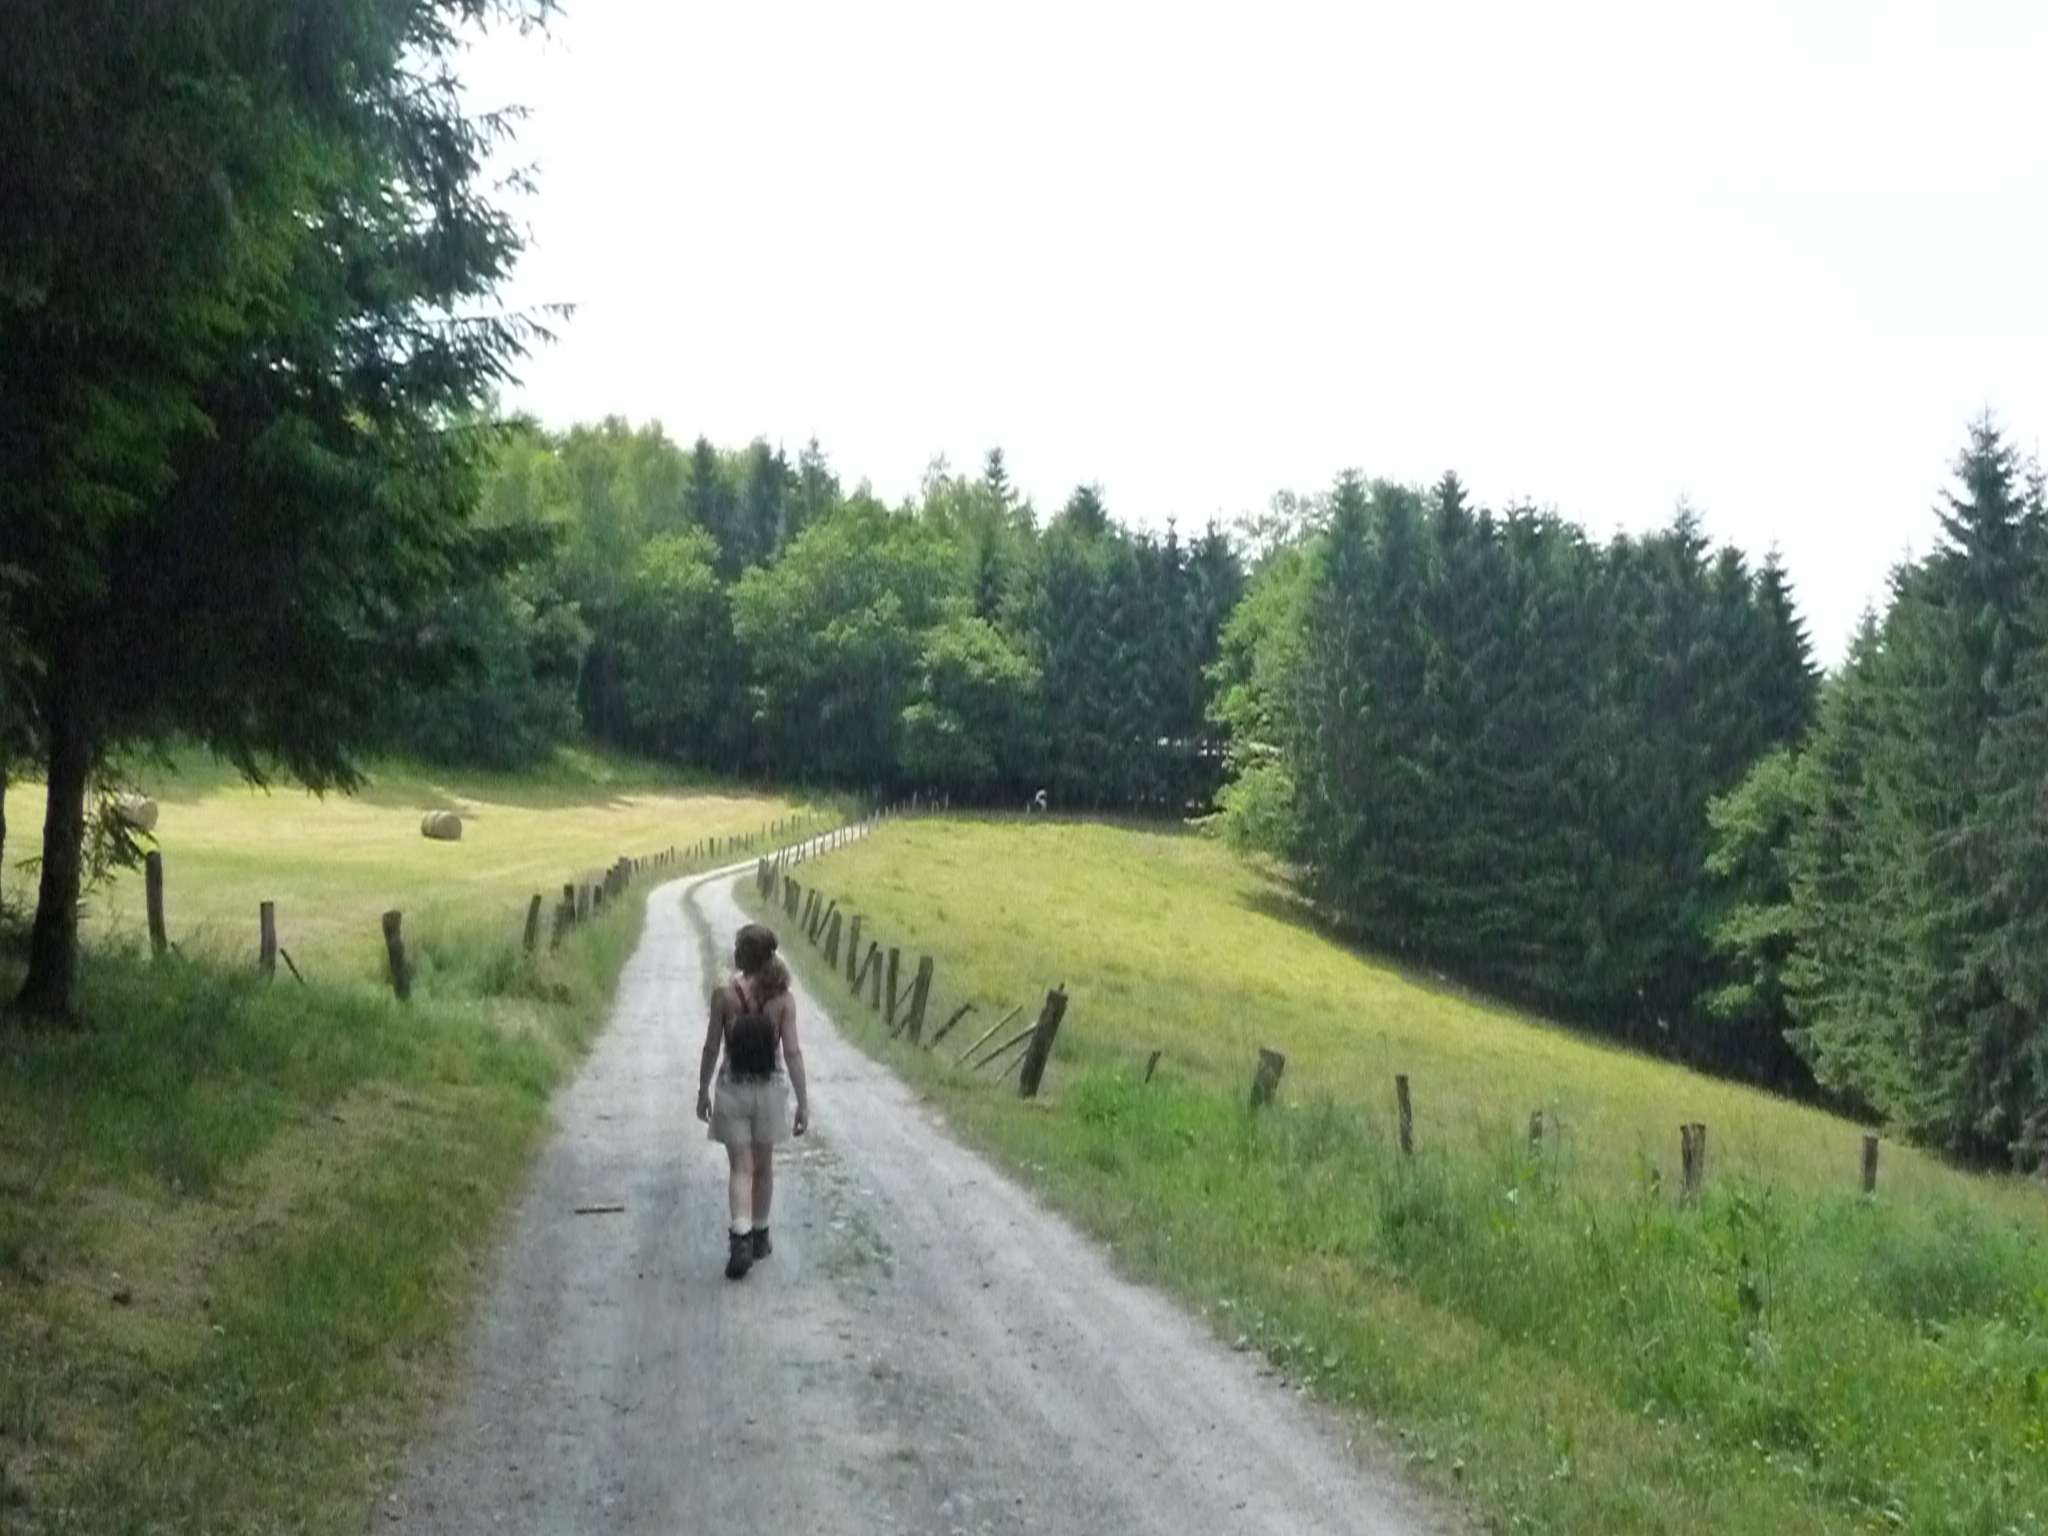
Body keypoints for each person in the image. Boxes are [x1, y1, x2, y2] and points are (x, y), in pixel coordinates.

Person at [697, 923, 809, 1280]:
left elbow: (712, 1047)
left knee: (740, 1168)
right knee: (763, 1166)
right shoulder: (783, 999)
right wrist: (803, 1102)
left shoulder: (724, 996)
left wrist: (702, 1089)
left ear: (743, 955)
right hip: (770, 1090)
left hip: (733, 1088)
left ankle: (740, 1238)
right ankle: (760, 1234)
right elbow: (792, 1052)